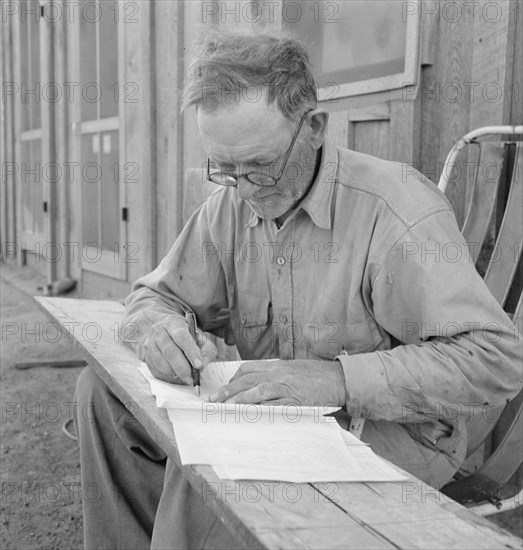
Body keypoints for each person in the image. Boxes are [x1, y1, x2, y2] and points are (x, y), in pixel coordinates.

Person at [74, 27, 522, 549]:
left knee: (218, 480)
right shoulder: (232, 202)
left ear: (313, 127)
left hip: (388, 434)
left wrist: (336, 381)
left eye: (261, 166)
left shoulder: (395, 210)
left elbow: (495, 360)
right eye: (225, 168)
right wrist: (161, 327)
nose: (243, 187)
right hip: (273, 416)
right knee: (100, 397)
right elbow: (154, 296)